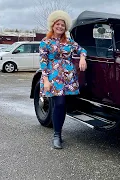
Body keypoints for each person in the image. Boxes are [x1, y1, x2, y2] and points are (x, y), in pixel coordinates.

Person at [39, 10, 87, 149]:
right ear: (53, 25)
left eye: (63, 25)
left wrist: (83, 58)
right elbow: (43, 62)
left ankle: (58, 132)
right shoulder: (45, 42)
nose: (60, 27)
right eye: (58, 24)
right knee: (59, 104)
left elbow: (82, 49)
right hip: (53, 77)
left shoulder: (69, 41)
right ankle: (57, 135)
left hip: (68, 77)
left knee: (63, 104)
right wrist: (46, 80)